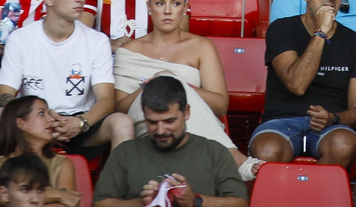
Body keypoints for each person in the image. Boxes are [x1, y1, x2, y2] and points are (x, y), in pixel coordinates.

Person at [111, 0, 259, 177]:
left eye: (176, 3)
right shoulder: (128, 51)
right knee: (166, 86)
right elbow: (119, 108)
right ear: (148, 6)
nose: (167, 11)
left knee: (175, 89)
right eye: (160, 3)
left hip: (192, 125)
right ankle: (234, 157)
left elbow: (221, 104)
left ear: (185, 7)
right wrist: (151, 86)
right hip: (149, 124)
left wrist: (180, 85)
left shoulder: (201, 46)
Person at [0, 0, 131, 159]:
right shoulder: (20, 39)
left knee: (121, 122)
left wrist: (81, 123)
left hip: (81, 122)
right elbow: (3, 96)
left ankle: (111, 190)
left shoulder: (97, 41)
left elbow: (107, 100)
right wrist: (40, 118)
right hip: (35, 121)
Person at [250, 0, 356, 168]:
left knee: (344, 144)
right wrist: (321, 32)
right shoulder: (281, 29)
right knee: (267, 149)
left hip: (332, 127)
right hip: (280, 123)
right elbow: (297, 84)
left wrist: (333, 118)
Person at [92, 76, 249, 207]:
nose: (160, 131)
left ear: (186, 112)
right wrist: (142, 203)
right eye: (152, 122)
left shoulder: (214, 152)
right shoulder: (125, 153)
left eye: (169, 121)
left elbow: (240, 203)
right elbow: (100, 203)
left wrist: (195, 200)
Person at [0, 98, 79, 207]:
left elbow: (71, 202)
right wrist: (59, 194)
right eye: (41, 113)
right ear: (20, 123)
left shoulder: (62, 164)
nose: (51, 119)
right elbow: (3, 198)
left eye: (49, 113)